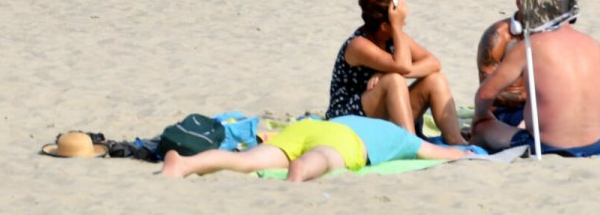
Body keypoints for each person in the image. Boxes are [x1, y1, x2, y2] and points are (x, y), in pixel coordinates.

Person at [473, 14, 600, 156]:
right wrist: (549, 94)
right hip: (511, 107)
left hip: (544, 119)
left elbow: (483, 95)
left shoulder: (540, 42)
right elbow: (489, 92)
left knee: (595, 94)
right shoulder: (500, 36)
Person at [326, 0, 465, 144]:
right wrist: (393, 71)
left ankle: (456, 140)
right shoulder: (358, 45)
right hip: (348, 116)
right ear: (385, 26)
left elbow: (433, 63)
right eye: (400, 21)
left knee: (435, 79)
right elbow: (403, 66)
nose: (403, 24)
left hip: (385, 110)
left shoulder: (395, 39)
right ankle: (412, 144)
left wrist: (386, 71)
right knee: (394, 80)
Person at [161, 115, 476, 180]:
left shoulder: (357, 117)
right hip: (343, 141)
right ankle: (300, 172)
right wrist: (467, 153)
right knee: (323, 157)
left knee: (246, 161)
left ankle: (184, 165)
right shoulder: (403, 137)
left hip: (308, 126)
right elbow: (443, 153)